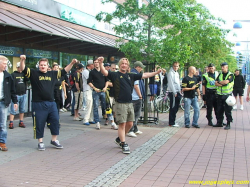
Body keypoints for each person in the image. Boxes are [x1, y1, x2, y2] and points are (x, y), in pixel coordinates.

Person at [99, 57, 161, 154]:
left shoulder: (131, 75)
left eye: (125, 63)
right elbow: (105, 73)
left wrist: (156, 73)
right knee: (122, 124)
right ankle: (123, 143)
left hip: (129, 103)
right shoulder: (115, 74)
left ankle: (119, 139)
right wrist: (100, 63)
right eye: (122, 63)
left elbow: (144, 75)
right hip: (120, 103)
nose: (124, 65)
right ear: (120, 65)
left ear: (128, 66)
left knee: (130, 124)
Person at [19, 55, 77, 150]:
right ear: (39, 66)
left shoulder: (53, 74)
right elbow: (23, 68)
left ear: (47, 66)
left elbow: (64, 71)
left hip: (51, 103)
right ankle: (40, 142)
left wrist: (72, 63)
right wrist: (22, 60)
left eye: (44, 65)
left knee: (55, 121)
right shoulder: (34, 73)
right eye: (41, 65)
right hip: (38, 103)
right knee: (39, 123)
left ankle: (54, 140)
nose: (42, 66)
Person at [0, 55, 18, 151]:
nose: (5, 66)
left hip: (3, 102)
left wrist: (15, 101)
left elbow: (12, 90)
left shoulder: (8, 76)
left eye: (6, 64)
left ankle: (2, 142)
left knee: (2, 124)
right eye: (4, 63)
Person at [88, 58, 109, 129]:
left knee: (106, 105)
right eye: (95, 62)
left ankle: (108, 119)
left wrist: (105, 87)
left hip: (103, 91)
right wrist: (94, 88)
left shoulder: (103, 71)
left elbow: (107, 81)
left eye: (97, 62)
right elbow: (89, 82)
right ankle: (97, 121)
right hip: (96, 91)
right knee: (96, 106)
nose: (96, 63)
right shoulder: (92, 72)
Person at [127, 61, 146, 137]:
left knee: (134, 114)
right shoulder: (135, 75)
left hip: (132, 97)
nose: (141, 69)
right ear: (137, 67)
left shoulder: (132, 73)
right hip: (135, 97)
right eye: (141, 67)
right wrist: (140, 96)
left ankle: (135, 129)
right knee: (135, 114)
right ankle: (131, 130)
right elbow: (136, 86)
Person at [214, 62, 234, 130]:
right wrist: (221, 83)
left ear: (227, 67)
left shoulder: (230, 75)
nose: (222, 68)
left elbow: (226, 82)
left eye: (223, 67)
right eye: (221, 66)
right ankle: (219, 123)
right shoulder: (220, 74)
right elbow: (215, 83)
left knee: (227, 110)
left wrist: (220, 82)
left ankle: (228, 123)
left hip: (227, 96)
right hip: (220, 95)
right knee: (219, 110)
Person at [9, 62, 29, 129]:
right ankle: (11, 122)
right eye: (19, 67)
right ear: (17, 67)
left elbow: (28, 79)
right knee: (13, 109)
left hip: (23, 94)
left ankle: (21, 121)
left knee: (22, 109)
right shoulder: (13, 74)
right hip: (16, 95)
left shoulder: (24, 74)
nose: (20, 69)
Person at [167, 62, 182, 127]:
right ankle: (171, 122)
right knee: (173, 107)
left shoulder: (177, 73)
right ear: (173, 66)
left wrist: (179, 91)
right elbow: (171, 83)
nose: (176, 67)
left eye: (177, 66)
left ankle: (173, 121)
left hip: (177, 92)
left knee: (176, 107)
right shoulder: (170, 73)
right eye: (175, 66)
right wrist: (174, 92)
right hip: (173, 92)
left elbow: (178, 83)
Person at [82, 60, 95, 125]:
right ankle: (85, 119)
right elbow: (89, 79)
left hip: (91, 89)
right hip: (87, 89)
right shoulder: (85, 71)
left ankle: (90, 118)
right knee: (88, 104)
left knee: (92, 105)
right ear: (90, 65)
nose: (94, 65)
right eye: (93, 64)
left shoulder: (90, 71)